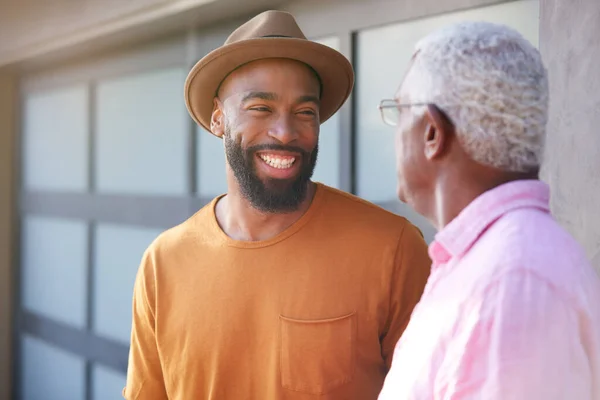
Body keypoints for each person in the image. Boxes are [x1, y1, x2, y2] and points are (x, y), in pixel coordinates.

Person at [122, 10, 431, 400]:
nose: (285, 132)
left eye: (305, 112)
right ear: (219, 118)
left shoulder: (393, 248)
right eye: (261, 108)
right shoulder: (163, 263)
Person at [376, 21, 600, 399]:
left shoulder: (512, 281)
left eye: (400, 110)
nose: (395, 132)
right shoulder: (489, 264)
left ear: (432, 132)